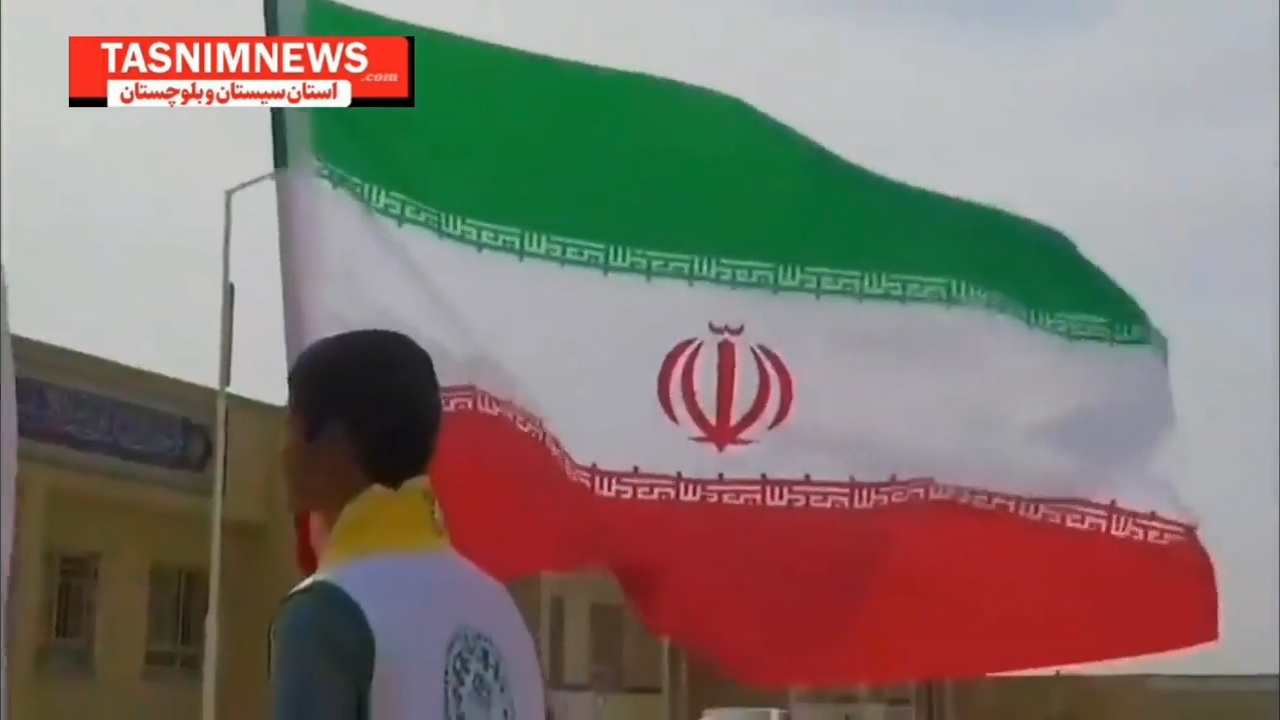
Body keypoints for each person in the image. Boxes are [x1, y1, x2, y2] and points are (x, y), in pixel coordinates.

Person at [270, 329, 545, 720]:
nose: (284, 452)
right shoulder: (504, 614)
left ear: (334, 442)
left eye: (292, 428)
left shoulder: (325, 613)